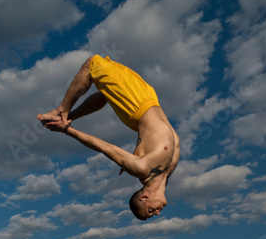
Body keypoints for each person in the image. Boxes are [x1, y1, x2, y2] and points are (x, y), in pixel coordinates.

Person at [37, 55, 180, 220]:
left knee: (93, 64)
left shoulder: (142, 169)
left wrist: (68, 130)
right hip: (150, 100)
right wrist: (129, 163)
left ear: (144, 198)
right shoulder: (165, 175)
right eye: (153, 213)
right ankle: (66, 115)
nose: (157, 213)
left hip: (137, 105)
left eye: (150, 212)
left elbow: (104, 146)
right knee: (106, 93)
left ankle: (60, 112)